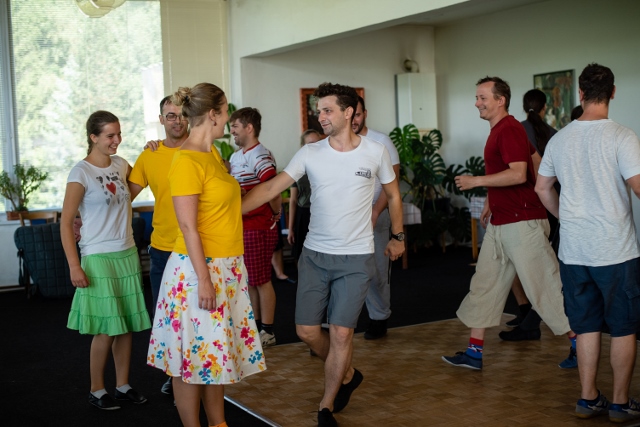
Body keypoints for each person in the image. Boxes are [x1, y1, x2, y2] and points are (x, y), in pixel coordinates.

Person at [241, 82, 404, 427]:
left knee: (342, 333)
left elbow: (393, 195)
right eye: (319, 111)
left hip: (357, 257)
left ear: (349, 112)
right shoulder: (310, 153)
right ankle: (348, 374)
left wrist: (398, 236)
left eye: (328, 110)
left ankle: (325, 406)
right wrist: (229, 211)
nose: (321, 116)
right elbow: (271, 187)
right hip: (315, 256)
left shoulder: (375, 152)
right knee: (306, 331)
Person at [147, 83, 266, 427]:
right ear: (213, 114)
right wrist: (204, 280)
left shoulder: (211, 154)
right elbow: (188, 228)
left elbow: (235, 207)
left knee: (213, 355)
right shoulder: (186, 161)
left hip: (224, 265)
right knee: (190, 358)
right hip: (197, 270)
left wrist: (292, 173)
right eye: (226, 111)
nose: (228, 118)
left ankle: (218, 423)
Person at [442, 76, 571, 371]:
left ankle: (579, 345)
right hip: (503, 222)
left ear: (500, 100)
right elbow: (535, 161)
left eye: (482, 97)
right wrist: (493, 198)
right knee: (485, 285)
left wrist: (477, 181)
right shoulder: (504, 130)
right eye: (477, 97)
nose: (477, 103)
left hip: (523, 224)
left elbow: (518, 173)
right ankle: (474, 353)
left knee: (545, 289)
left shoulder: (509, 129)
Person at [536, 63, 640, 423]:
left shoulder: (559, 139)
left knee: (586, 325)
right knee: (623, 327)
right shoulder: (622, 136)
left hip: (574, 252)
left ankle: (588, 398)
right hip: (616, 250)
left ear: (580, 94)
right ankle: (620, 404)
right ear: (613, 92)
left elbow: (542, 188)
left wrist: (565, 218)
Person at [61, 110, 151, 410]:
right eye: (110, 135)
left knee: (125, 325)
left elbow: (131, 192)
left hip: (126, 252)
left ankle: (122, 385)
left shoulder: (121, 164)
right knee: (106, 328)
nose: (117, 140)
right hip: (97, 255)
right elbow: (66, 222)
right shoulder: (81, 172)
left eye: (119, 134)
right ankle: (96, 389)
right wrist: (75, 265)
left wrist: (151, 153)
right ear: (93, 137)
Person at [127, 95, 188, 395]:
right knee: (166, 318)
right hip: (163, 249)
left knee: (196, 315)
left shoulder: (204, 150)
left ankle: (197, 371)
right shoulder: (149, 156)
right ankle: (174, 375)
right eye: (171, 115)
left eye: (182, 114)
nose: (177, 120)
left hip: (197, 248)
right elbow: (122, 196)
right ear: (161, 120)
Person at [228, 107, 281, 347]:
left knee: (261, 280)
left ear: (249, 128)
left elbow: (273, 189)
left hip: (258, 226)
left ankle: (268, 331)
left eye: (235, 127)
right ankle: (255, 327)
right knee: (250, 280)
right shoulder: (236, 156)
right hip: (243, 225)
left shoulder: (260, 155)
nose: (232, 131)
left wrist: (275, 214)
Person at [351, 95, 400, 340]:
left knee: (377, 271)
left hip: (375, 215)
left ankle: (379, 317)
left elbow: (392, 185)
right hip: (347, 217)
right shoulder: (336, 143)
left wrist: (375, 212)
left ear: (365, 114)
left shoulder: (381, 142)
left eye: (358, 115)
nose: (353, 120)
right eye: (350, 115)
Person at [287, 129, 322, 261]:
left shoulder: (328, 164)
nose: (315, 147)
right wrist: (291, 229)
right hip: (304, 214)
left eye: (318, 143)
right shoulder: (297, 167)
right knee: (301, 254)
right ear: (303, 146)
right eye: (310, 144)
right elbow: (293, 200)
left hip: (322, 214)